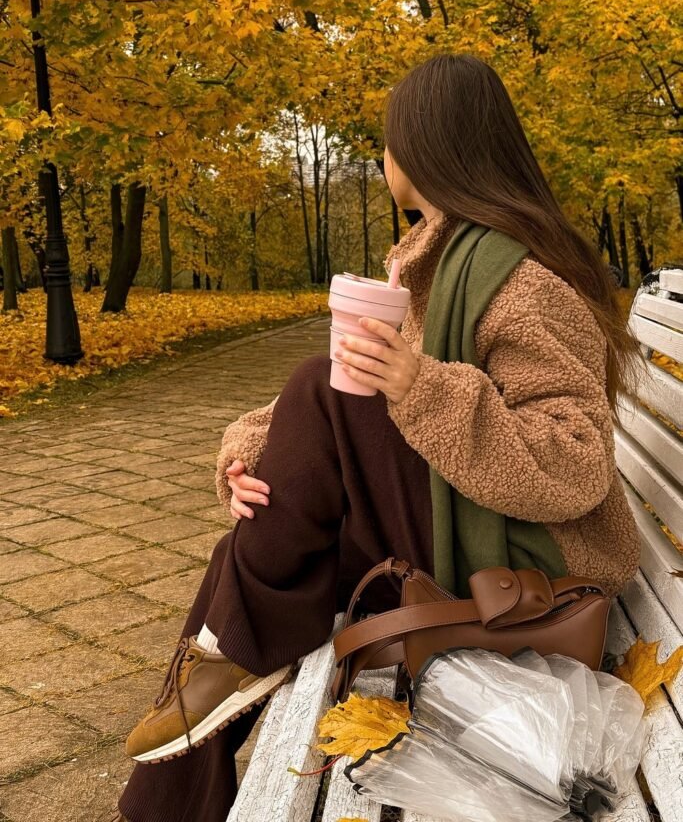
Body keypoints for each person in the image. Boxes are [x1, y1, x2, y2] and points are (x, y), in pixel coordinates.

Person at [113, 52, 642, 822]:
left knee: (310, 394)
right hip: (465, 523)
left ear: (423, 151)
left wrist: (417, 385)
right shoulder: (438, 267)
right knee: (253, 535)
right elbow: (352, 404)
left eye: (388, 144)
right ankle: (183, 760)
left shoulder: (523, 286)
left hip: (532, 564)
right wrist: (250, 457)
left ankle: (230, 655)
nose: (385, 160)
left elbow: (570, 467)